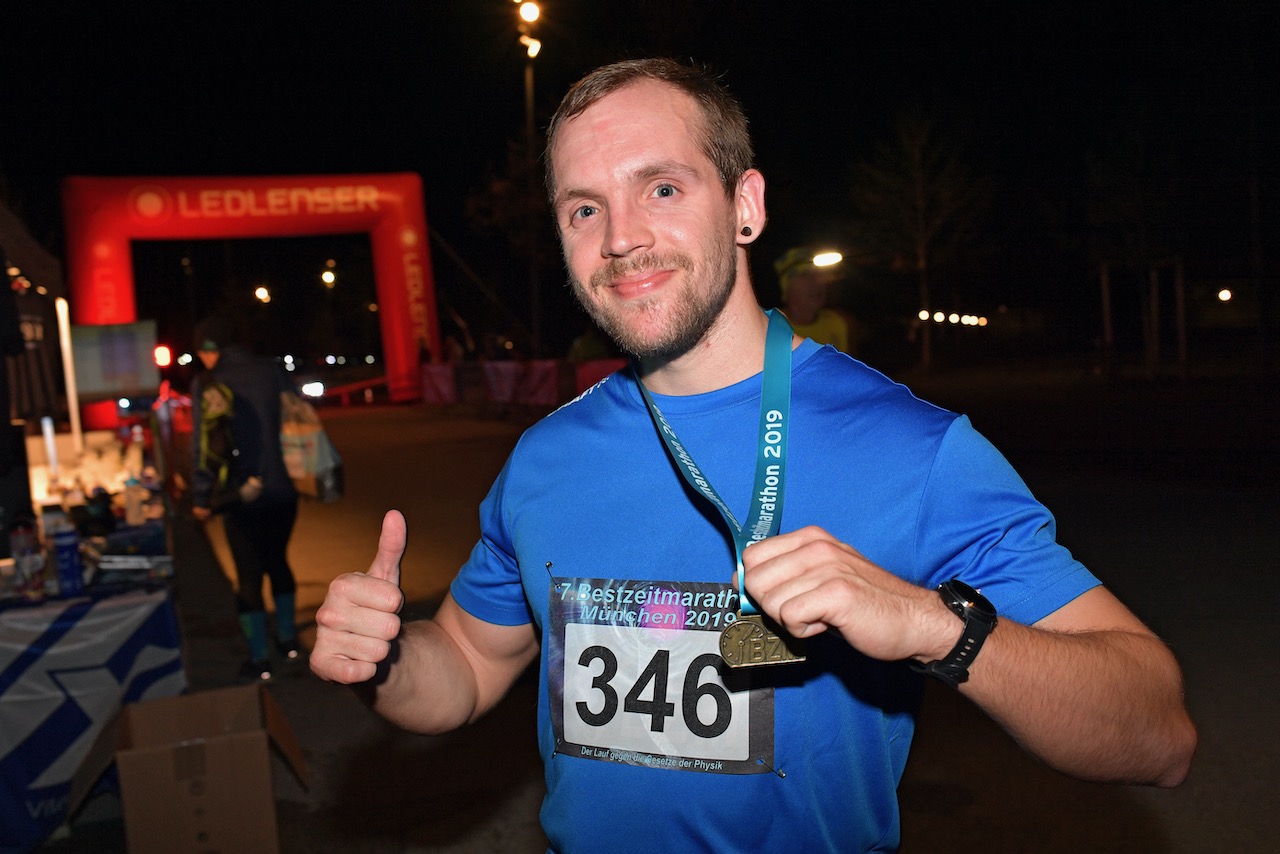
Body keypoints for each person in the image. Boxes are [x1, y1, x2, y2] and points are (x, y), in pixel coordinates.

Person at [311, 58, 1195, 851]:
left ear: (746, 206)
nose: (620, 237)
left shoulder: (913, 449)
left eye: (661, 188)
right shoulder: (545, 459)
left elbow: (1159, 735)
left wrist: (936, 625)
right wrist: (383, 659)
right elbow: (465, 668)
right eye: (585, 207)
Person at [190, 316, 301, 681]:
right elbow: (295, 416)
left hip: (242, 496)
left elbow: (205, 445)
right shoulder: (271, 370)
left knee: (248, 577)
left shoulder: (209, 382)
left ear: (210, 349)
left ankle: (260, 660)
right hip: (284, 491)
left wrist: (202, 496)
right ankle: (288, 641)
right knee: (279, 561)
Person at [775, 245, 853, 353]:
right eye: (806, 275)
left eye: (820, 275)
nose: (818, 282)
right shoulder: (771, 328)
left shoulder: (835, 324)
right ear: (787, 287)